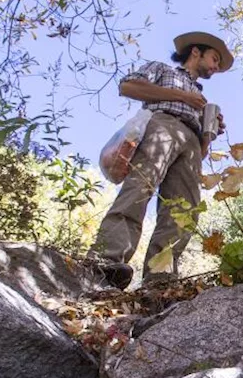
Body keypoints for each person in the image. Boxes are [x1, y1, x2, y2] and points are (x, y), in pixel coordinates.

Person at [87, 31, 233, 289]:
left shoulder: (202, 98)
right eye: (214, 58)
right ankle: (106, 261)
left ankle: (160, 282)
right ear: (196, 52)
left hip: (191, 142)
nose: (216, 66)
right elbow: (128, 86)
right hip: (161, 125)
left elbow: (202, 150)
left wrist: (209, 133)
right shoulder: (163, 70)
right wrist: (184, 97)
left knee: (183, 212)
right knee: (139, 189)